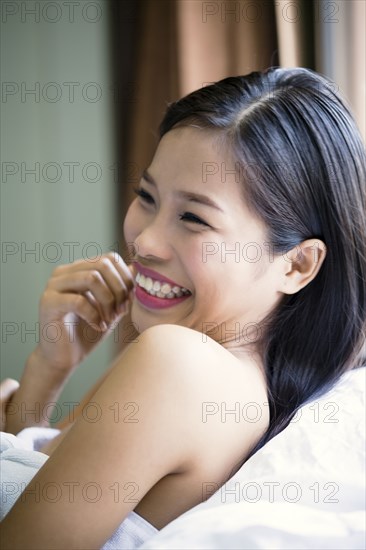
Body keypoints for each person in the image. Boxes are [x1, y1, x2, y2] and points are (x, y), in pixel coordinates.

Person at [1, 67, 365, 549]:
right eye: (146, 197)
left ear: (297, 264)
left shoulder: (178, 364)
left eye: (193, 218)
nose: (145, 241)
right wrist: (51, 367)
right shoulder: (206, 368)